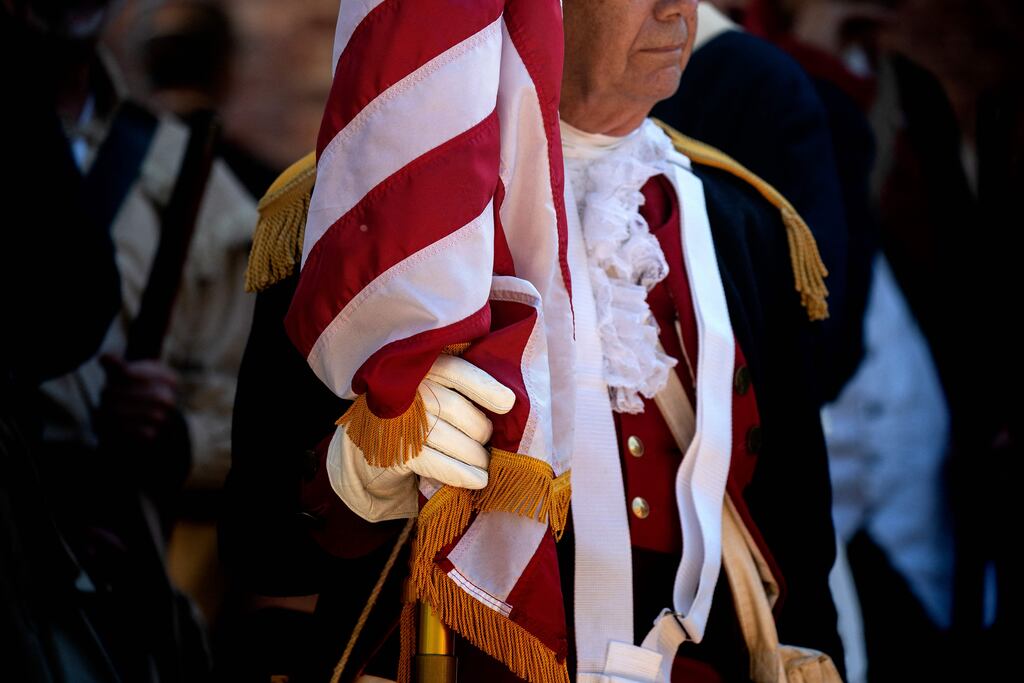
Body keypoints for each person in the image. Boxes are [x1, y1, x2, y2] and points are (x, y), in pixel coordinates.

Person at [225, 1, 843, 681]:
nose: (677, 9)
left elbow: (799, 546)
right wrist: (355, 473)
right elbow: (264, 551)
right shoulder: (376, 219)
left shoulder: (745, 225)